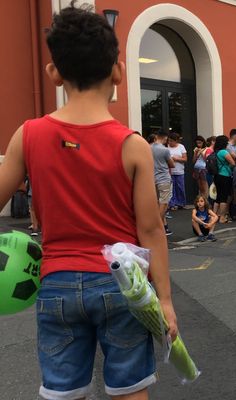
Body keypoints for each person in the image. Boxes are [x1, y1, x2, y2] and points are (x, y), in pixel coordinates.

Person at [0, 4, 178, 399]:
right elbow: (150, 229)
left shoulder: (27, 136)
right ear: (117, 71)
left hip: (56, 282)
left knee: (61, 391)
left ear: (54, 73)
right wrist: (164, 300)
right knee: (130, 388)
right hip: (121, 283)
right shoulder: (132, 146)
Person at [151, 131, 176, 235]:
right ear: (165, 138)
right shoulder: (165, 150)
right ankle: (156, 224)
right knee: (164, 202)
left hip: (153, 178)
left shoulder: (148, 147)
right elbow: (172, 164)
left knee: (157, 202)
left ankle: (162, 226)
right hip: (164, 178)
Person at [213, 134, 236, 223]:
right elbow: (233, 163)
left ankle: (214, 216)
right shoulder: (224, 152)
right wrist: (229, 167)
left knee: (218, 197)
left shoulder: (215, 152)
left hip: (217, 176)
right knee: (224, 197)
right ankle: (222, 217)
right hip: (225, 176)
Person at [167, 132, 187, 210]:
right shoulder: (166, 147)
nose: (170, 142)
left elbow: (185, 159)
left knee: (180, 187)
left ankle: (181, 203)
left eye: (172, 141)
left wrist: (176, 159)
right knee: (171, 189)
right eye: (169, 141)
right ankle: (172, 204)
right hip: (170, 171)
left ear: (176, 141)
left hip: (179, 170)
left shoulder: (181, 147)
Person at [192, 135, 208, 199]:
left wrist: (201, 152)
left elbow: (206, 160)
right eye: (197, 143)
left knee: (204, 184)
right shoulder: (195, 149)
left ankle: (205, 199)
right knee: (199, 185)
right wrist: (195, 153)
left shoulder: (206, 149)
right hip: (196, 168)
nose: (198, 144)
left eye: (200, 143)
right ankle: (201, 198)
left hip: (203, 168)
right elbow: (193, 161)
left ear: (203, 142)